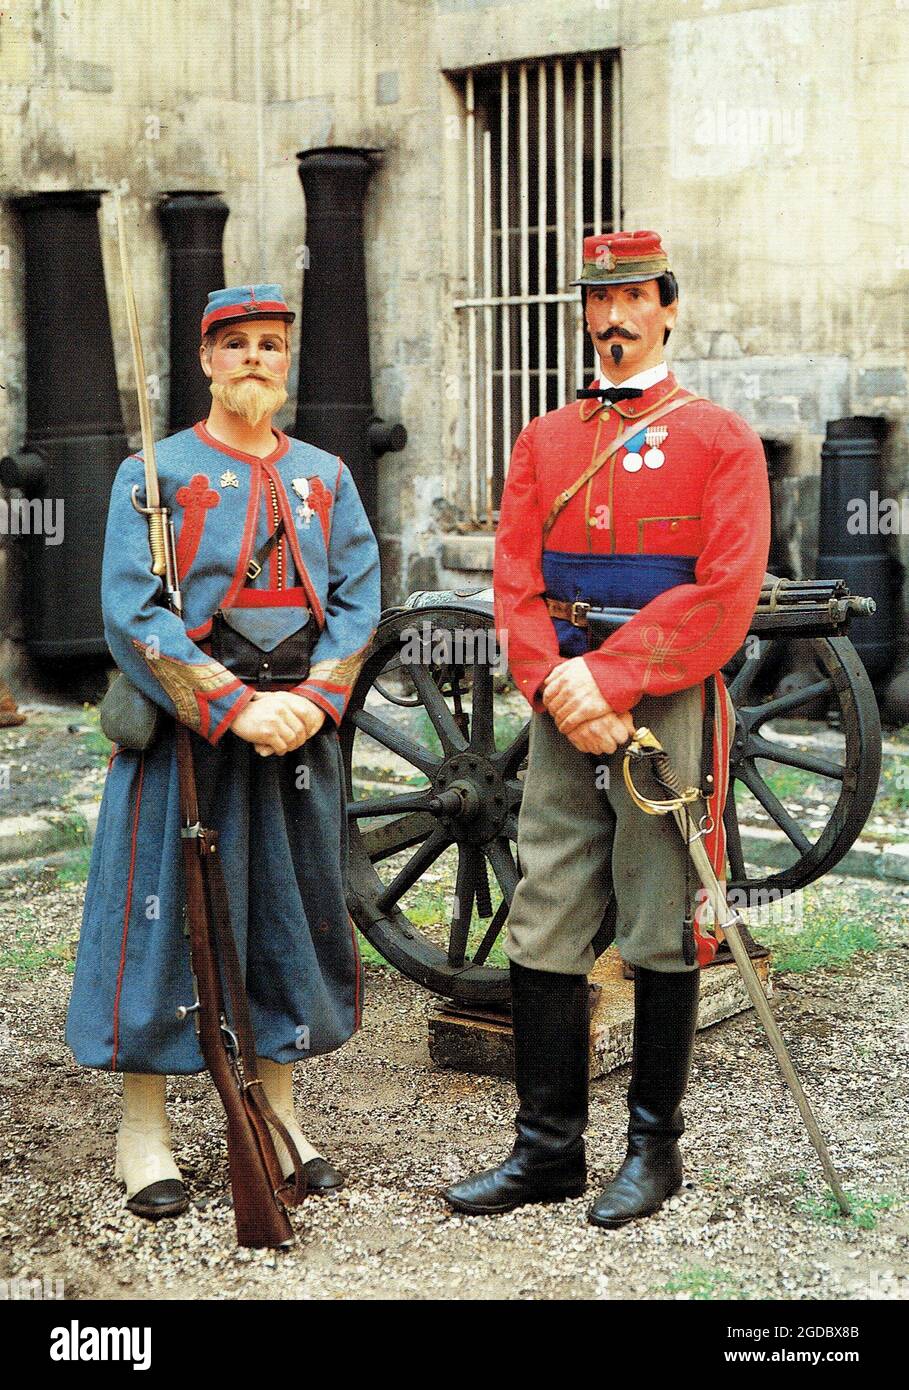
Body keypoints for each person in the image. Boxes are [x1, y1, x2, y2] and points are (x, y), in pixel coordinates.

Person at [444, 230, 771, 1228]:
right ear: (585, 316)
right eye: (600, 299)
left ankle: (652, 1153)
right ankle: (546, 1150)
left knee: (663, 907)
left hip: (664, 691)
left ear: (669, 307)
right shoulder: (546, 440)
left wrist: (615, 679)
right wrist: (556, 685)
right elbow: (515, 579)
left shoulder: (722, 440)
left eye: (635, 296)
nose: (616, 315)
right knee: (544, 900)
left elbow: (726, 594)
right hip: (562, 704)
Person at [66, 285, 381, 1219]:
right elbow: (134, 614)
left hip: (295, 740)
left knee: (288, 916)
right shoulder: (151, 476)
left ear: (287, 362)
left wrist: (317, 701)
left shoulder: (326, 477)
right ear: (206, 361)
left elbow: (360, 598)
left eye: (271, 346)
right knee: (164, 928)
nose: (254, 359)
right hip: (187, 742)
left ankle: (279, 1114)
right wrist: (235, 707)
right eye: (234, 345)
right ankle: (144, 1132)